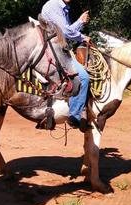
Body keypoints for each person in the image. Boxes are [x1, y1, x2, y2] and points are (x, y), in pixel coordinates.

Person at [41, 0, 91, 129]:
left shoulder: (63, 8)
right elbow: (65, 32)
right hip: (55, 51)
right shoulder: (54, 5)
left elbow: (67, 33)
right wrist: (83, 37)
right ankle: (74, 116)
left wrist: (80, 21)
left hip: (59, 49)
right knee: (83, 78)